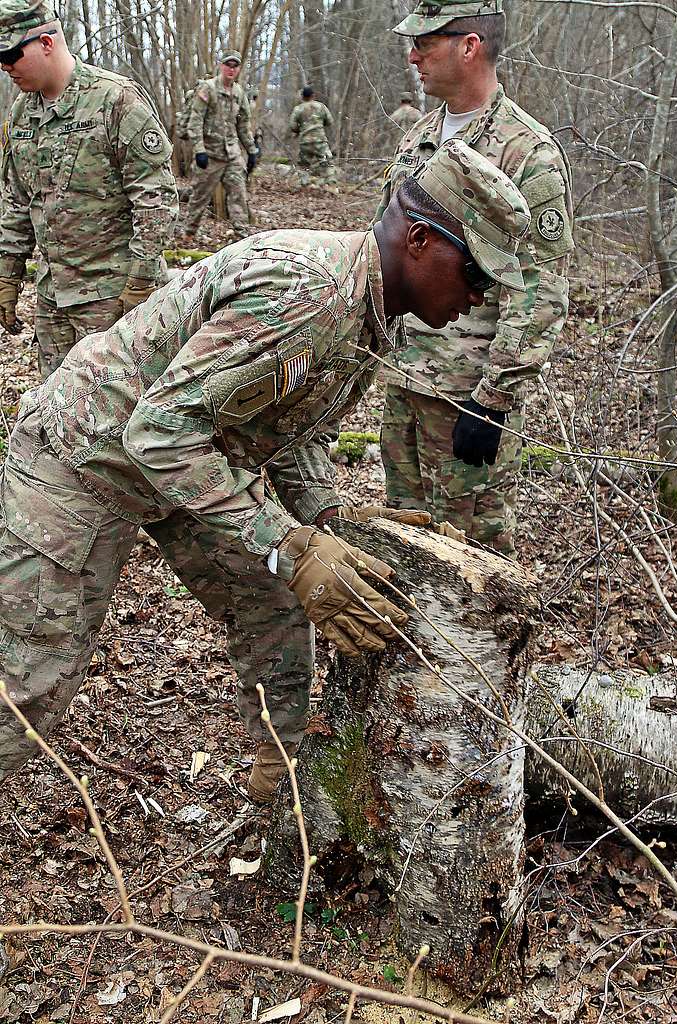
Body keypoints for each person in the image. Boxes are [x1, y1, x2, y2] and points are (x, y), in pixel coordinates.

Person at [0, 140, 530, 802]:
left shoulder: (371, 311)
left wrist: (324, 520)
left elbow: (289, 431)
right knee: (29, 682)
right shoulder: (308, 296)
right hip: (82, 458)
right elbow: (158, 433)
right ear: (421, 239)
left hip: (189, 466)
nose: (475, 300)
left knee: (275, 605)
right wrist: (284, 542)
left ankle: (282, 797)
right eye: (475, 276)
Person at [377, 0, 574, 556]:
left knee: (473, 560)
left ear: (469, 46)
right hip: (403, 382)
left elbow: (540, 289)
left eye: (425, 43)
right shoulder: (417, 140)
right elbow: (386, 253)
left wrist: (493, 401)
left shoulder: (526, 152)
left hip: (467, 394)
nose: (412, 55)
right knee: (401, 543)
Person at [0, 1, 178, 379]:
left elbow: (155, 199)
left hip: (115, 296)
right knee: (57, 408)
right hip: (53, 298)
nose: (5, 66)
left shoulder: (114, 100)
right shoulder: (21, 113)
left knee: (116, 414)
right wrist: (7, 275)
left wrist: (141, 283)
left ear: (46, 42)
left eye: (11, 54)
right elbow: (16, 202)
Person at [184, 50, 260, 241]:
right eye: (228, 65)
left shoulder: (239, 92)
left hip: (232, 155)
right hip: (210, 155)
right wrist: (199, 150)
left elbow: (243, 125)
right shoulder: (207, 89)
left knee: (239, 196)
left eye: (235, 66)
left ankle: (243, 237)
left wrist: (251, 150)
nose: (231, 69)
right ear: (221, 66)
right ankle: (188, 234)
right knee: (199, 197)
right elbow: (195, 122)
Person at [288, 85, 335, 186]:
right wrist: (320, 125)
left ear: (302, 97)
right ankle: (331, 185)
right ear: (313, 95)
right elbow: (330, 121)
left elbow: (292, 126)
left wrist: (299, 130)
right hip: (320, 140)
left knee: (304, 165)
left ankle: (304, 185)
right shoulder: (321, 106)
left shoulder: (298, 109)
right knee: (327, 162)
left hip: (305, 141)